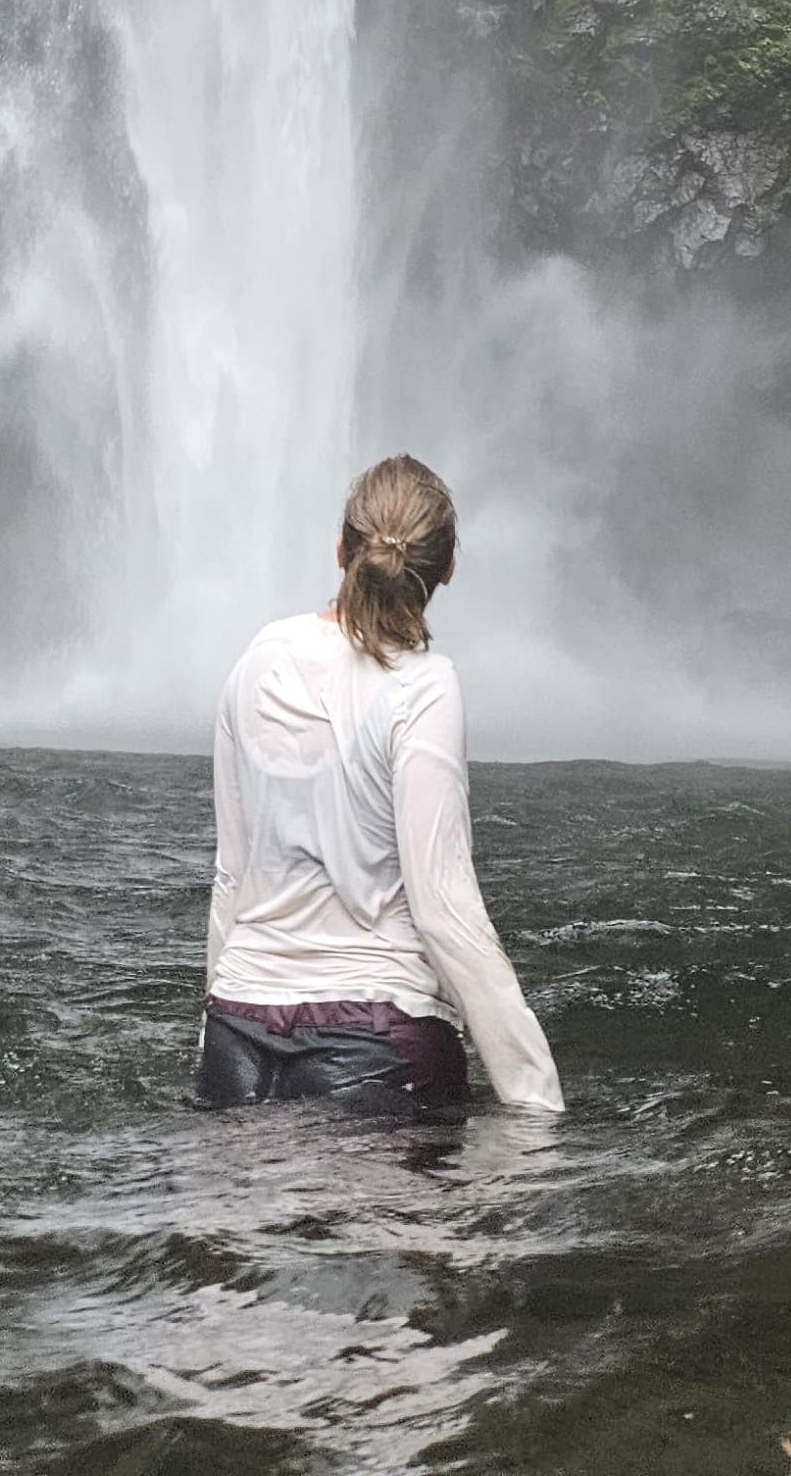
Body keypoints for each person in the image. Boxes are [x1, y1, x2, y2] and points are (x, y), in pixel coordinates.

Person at [199, 452, 564, 1120]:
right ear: (448, 568)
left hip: (237, 1034)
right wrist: (536, 1101)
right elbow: (442, 908)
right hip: (378, 1043)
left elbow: (232, 877)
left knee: (244, 1229)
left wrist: (215, 1021)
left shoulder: (258, 659)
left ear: (341, 549)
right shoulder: (423, 685)